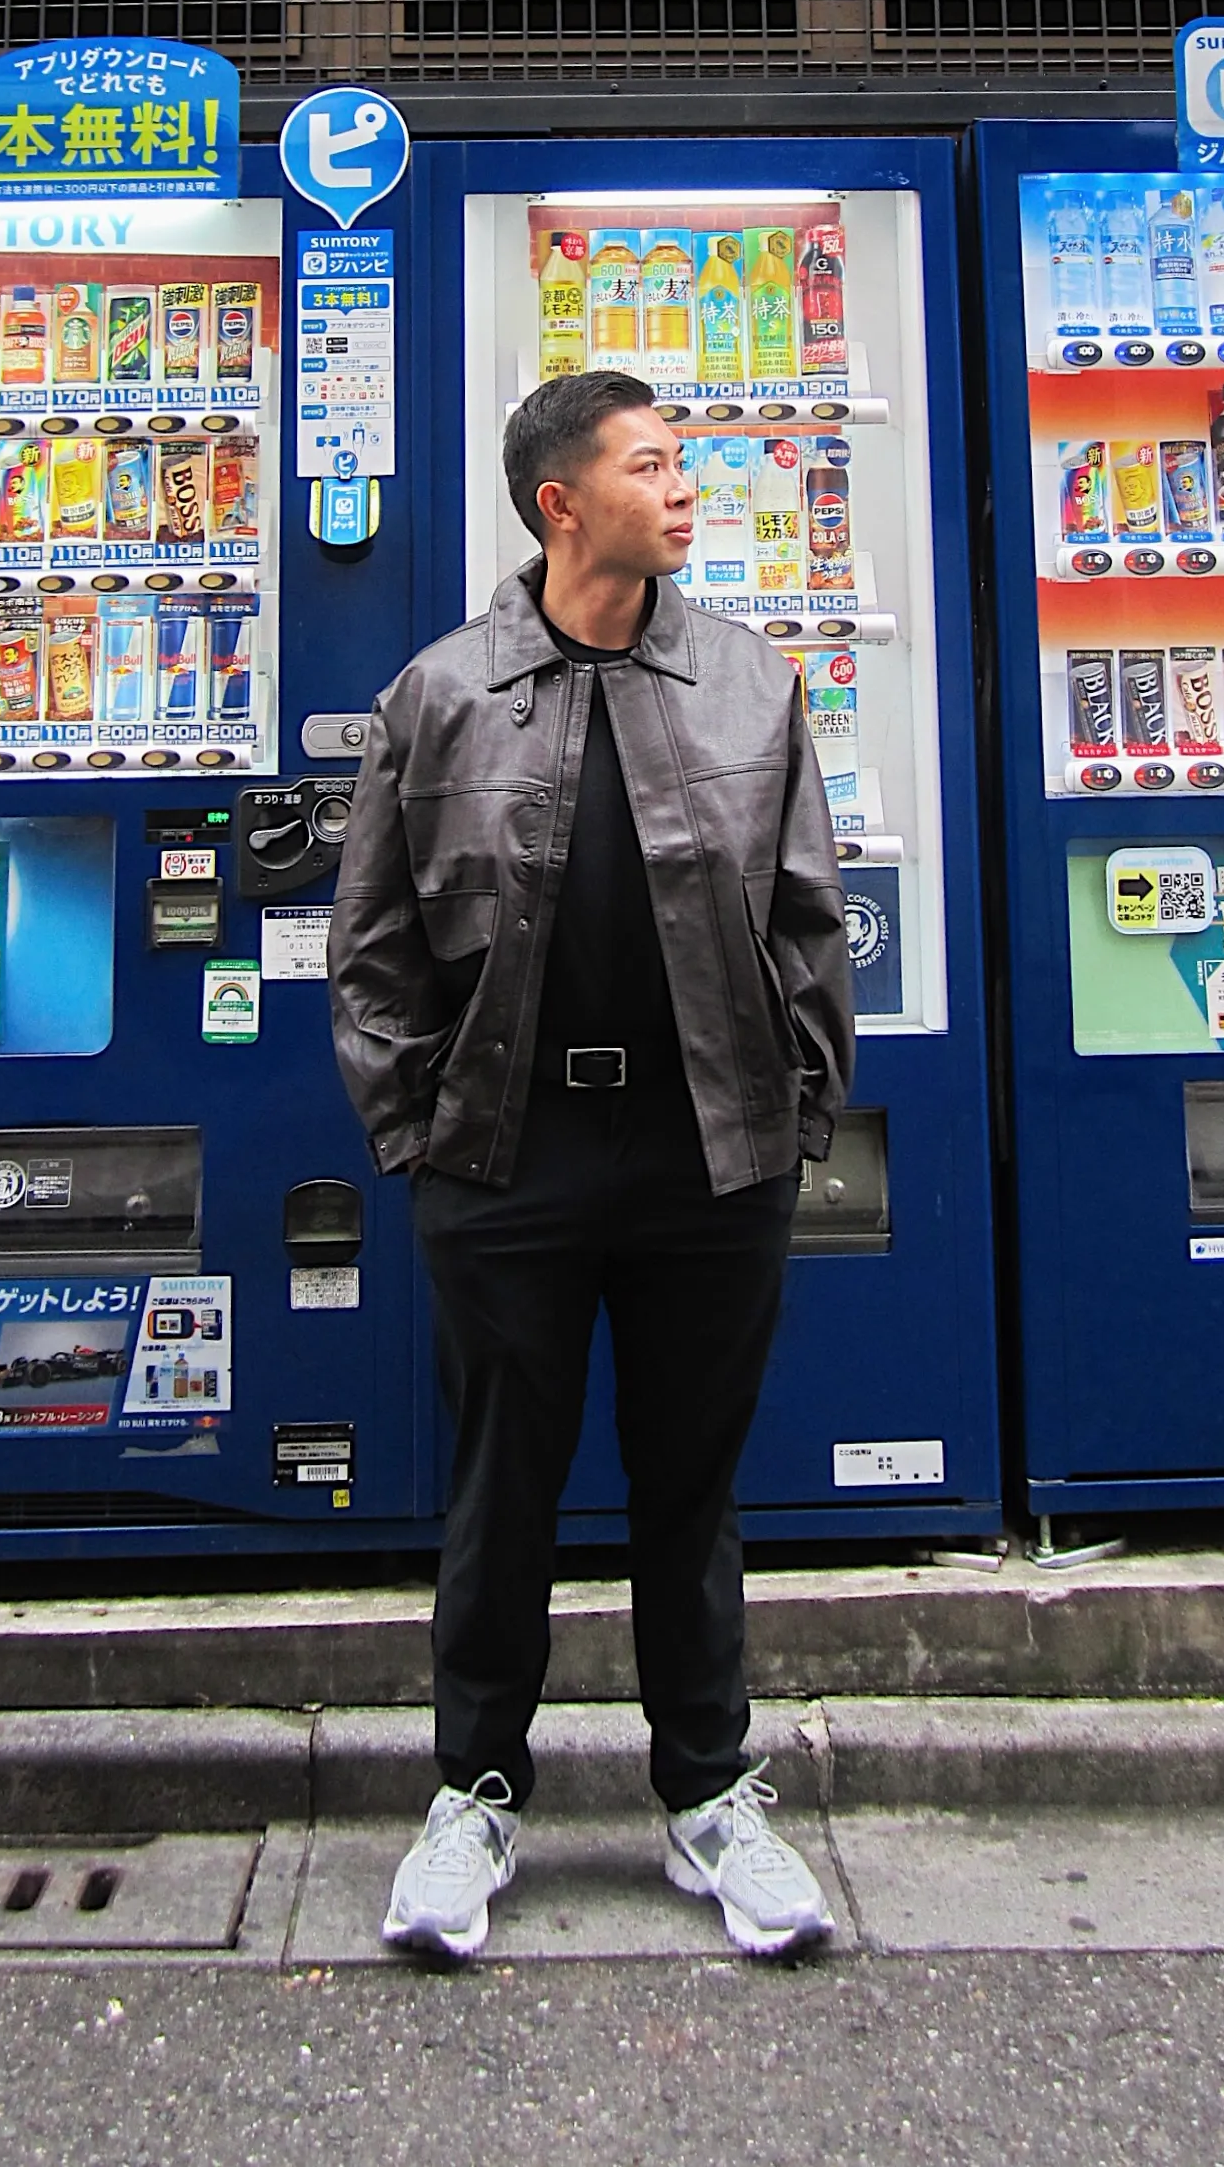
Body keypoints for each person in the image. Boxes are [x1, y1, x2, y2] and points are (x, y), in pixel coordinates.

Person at [330, 368, 856, 1961]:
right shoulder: (440, 694)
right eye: (651, 463)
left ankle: (707, 1790)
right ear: (562, 502)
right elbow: (373, 947)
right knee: (504, 1486)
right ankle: (475, 1791)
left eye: (681, 460)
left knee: (688, 1487)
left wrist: (796, 1111)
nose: (682, 486)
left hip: (710, 1154)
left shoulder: (750, 682)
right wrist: (416, 1130)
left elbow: (805, 917)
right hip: (508, 1152)